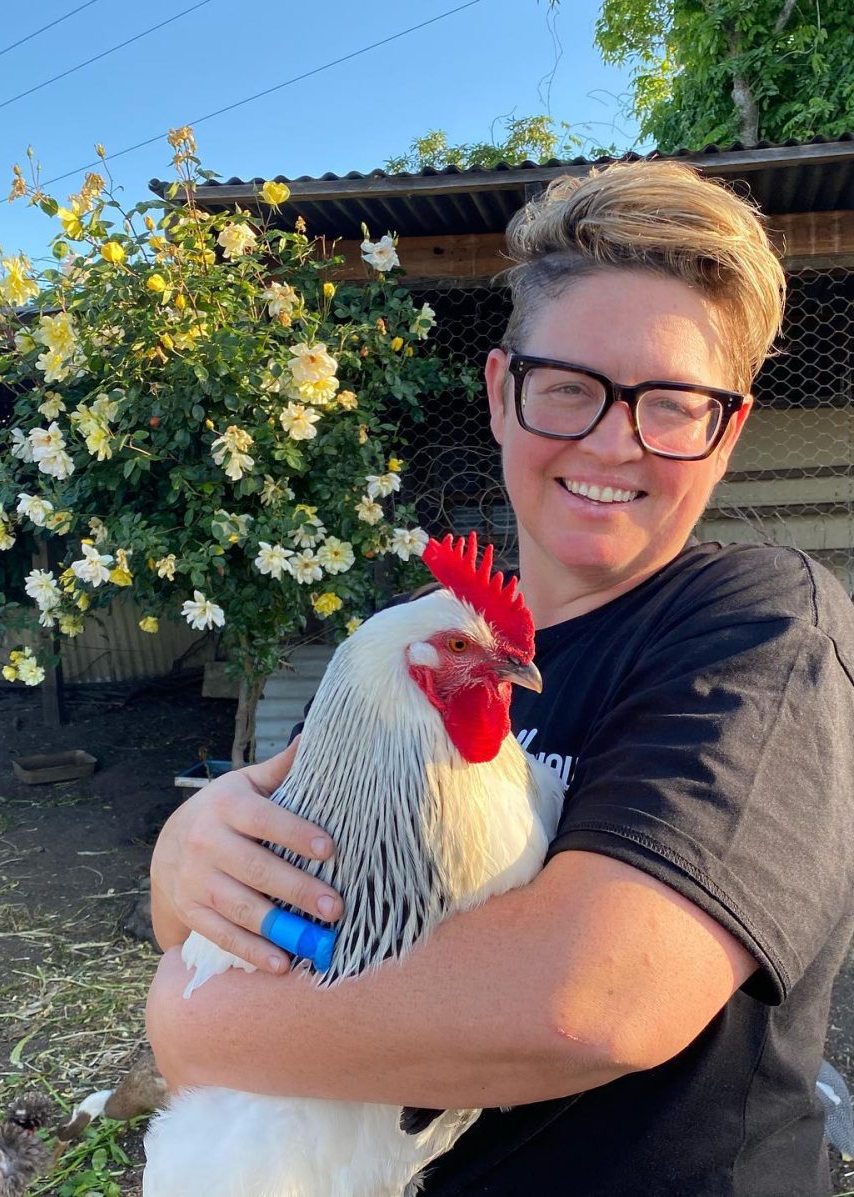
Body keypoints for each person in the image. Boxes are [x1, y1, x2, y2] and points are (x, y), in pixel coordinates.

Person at [144, 159, 854, 1195]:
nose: (614, 442)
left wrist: (192, 1021)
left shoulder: (758, 632)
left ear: (727, 431)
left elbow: (590, 1003)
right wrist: (183, 864)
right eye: (570, 388)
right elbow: (261, 897)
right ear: (500, 394)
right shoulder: (415, 669)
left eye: (672, 403)